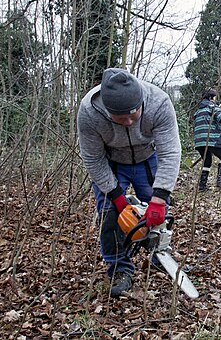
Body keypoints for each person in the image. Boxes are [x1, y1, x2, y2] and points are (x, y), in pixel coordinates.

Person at [77, 68, 181, 297]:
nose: (129, 122)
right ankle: (119, 268)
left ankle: (159, 254)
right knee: (109, 213)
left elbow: (170, 153)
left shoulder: (159, 102)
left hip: (147, 155)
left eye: (134, 115)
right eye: (121, 118)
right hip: (110, 159)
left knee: (158, 210)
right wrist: (116, 197)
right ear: (107, 110)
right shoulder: (89, 112)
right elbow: (92, 158)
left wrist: (160, 197)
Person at [193, 89, 221, 191]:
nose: (215, 100)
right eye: (215, 98)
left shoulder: (198, 111)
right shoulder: (212, 107)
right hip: (212, 139)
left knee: (207, 162)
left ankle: (202, 186)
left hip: (199, 141)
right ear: (211, 98)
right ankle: (220, 180)